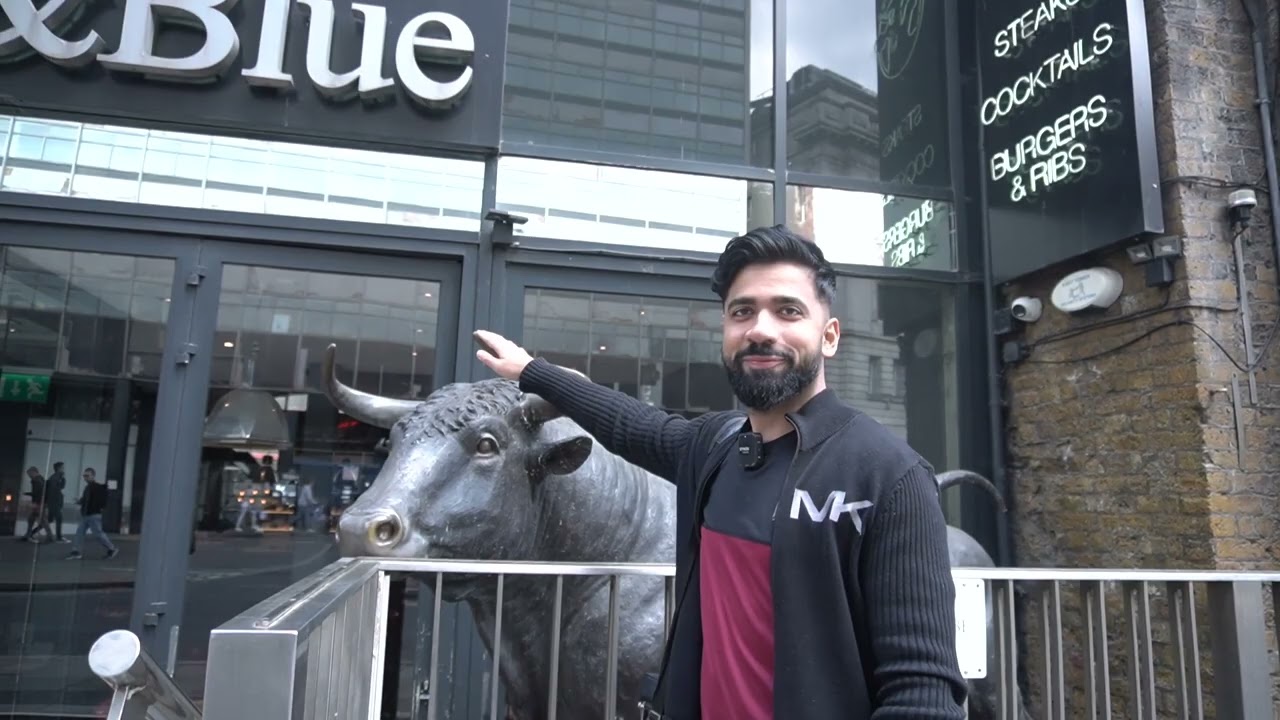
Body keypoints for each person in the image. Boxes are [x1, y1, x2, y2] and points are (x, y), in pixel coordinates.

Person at [474, 225, 966, 719]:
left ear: (829, 335)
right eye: (742, 311)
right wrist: (533, 371)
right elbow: (630, 423)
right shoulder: (715, 447)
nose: (760, 329)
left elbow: (921, 695)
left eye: (788, 310)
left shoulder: (890, 476)